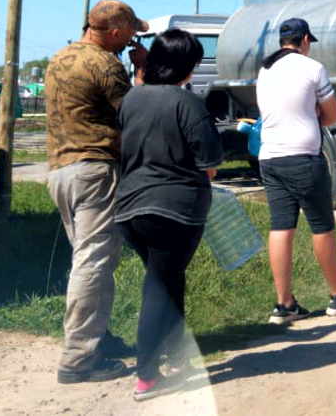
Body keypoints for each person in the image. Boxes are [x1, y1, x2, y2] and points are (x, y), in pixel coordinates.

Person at [114, 30, 223, 401]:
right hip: (174, 211)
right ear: (186, 65)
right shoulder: (186, 103)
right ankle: (146, 376)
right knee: (159, 289)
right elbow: (209, 165)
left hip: (130, 210)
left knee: (170, 280)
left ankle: (177, 360)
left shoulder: (131, 100)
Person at [45, 0, 148, 384]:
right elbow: (134, 114)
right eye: (131, 33)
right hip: (95, 168)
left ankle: (97, 338)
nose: (133, 38)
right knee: (93, 260)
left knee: (94, 258)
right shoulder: (105, 64)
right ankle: (78, 359)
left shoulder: (60, 57)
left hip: (62, 170)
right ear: (117, 32)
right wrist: (142, 71)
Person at [257, 18, 336, 324]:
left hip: (270, 158)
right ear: (305, 39)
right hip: (303, 158)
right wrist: (310, 118)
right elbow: (332, 115)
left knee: (281, 227)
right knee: (322, 226)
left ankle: (284, 304)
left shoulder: (265, 69)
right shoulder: (313, 68)